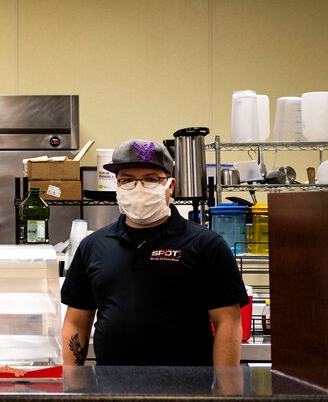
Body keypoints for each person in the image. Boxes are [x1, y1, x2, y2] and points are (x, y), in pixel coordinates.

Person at [60, 139, 248, 368]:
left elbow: (228, 322)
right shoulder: (93, 246)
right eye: (127, 180)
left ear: (170, 185)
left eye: (150, 179)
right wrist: (74, 382)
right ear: (117, 186)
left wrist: (225, 390)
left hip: (188, 391)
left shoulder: (206, 244)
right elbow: (76, 323)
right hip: (111, 388)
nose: (138, 188)